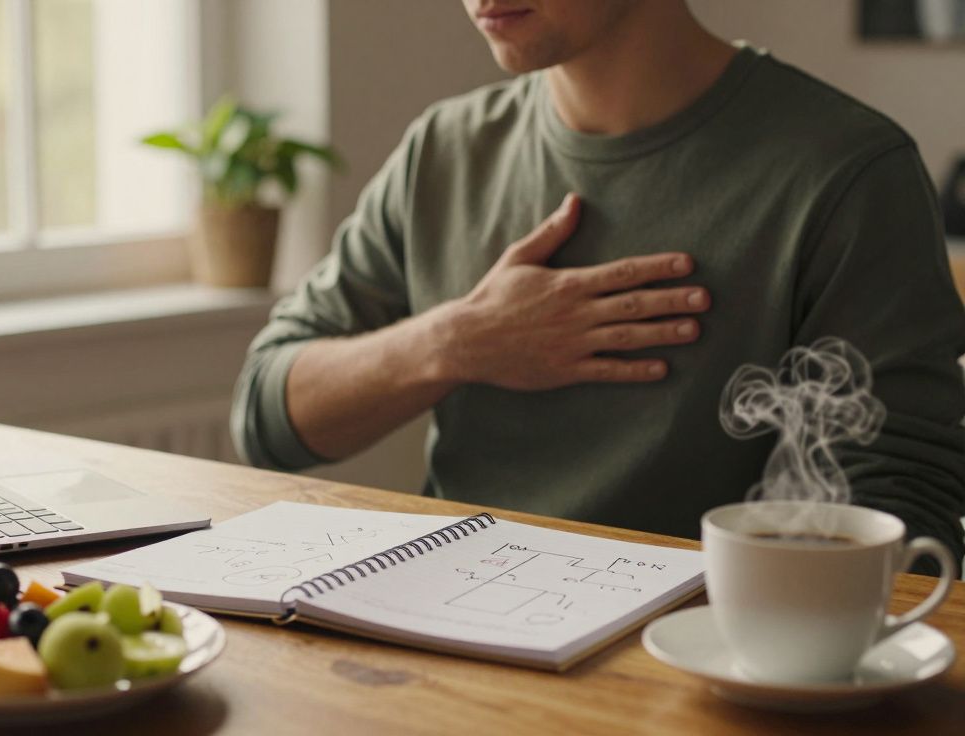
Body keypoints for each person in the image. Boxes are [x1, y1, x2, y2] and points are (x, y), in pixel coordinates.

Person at [231, 0, 965, 567]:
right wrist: (457, 342)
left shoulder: (847, 175)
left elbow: (902, 519)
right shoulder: (445, 151)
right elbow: (267, 418)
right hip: (446, 657)